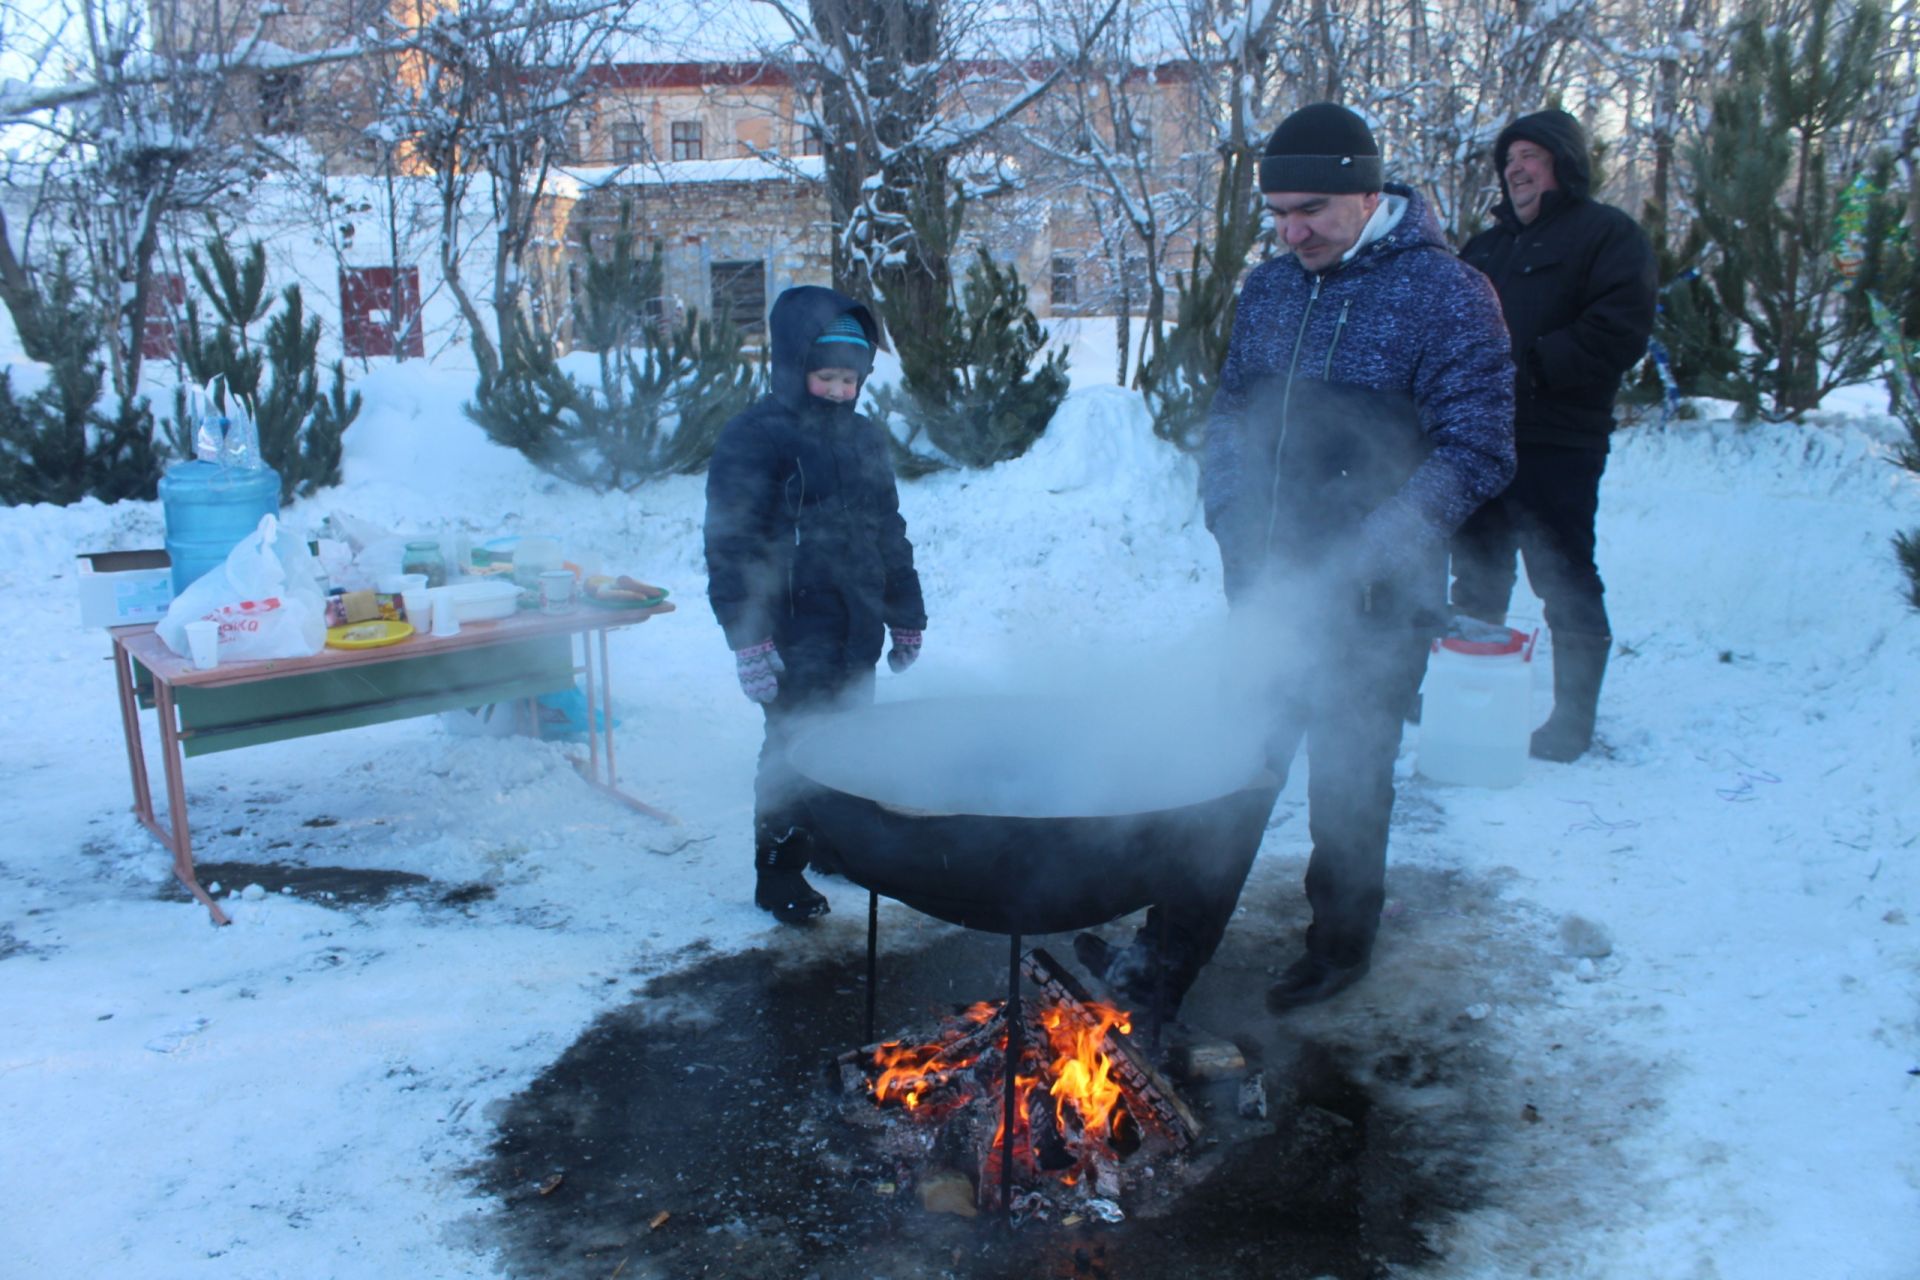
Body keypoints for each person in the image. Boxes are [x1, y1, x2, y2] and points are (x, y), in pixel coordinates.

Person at [1076, 103, 1515, 1016]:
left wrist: (1368, 557)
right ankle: (1164, 956)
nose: (1292, 230)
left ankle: (1341, 945)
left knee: (1349, 783)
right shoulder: (1271, 289)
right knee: (1231, 763)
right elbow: (1233, 415)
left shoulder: (1447, 294)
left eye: (1310, 209)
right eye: (1277, 212)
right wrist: (1231, 520)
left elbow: (1477, 448)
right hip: (1269, 587)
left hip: (1377, 597)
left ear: (1368, 192)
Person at [704, 285, 928, 924]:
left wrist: (905, 614)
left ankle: (832, 844)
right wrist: (748, 638)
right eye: (825, 375)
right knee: (793, 751)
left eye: (849, 379)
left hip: (854, 627)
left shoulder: (863, 439)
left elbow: (889, 532)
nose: (837, 389)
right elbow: (731, 543)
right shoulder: (756, 438)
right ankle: (778, 874)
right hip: (789, 635)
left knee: (849, 741)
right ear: (793, 366)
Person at [1452, 109, 1657, 762]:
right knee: (1477, 576)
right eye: (1507, 161)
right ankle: (1469, 693)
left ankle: (1571, 723)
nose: (1514, 169)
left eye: (1529, 157)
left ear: (1564, 162)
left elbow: (1619, 328)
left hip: (1558, 440)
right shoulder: (1484, 250)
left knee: (1563, 577)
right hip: (1481, 440)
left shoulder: (1608, 236)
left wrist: (1532, 366)